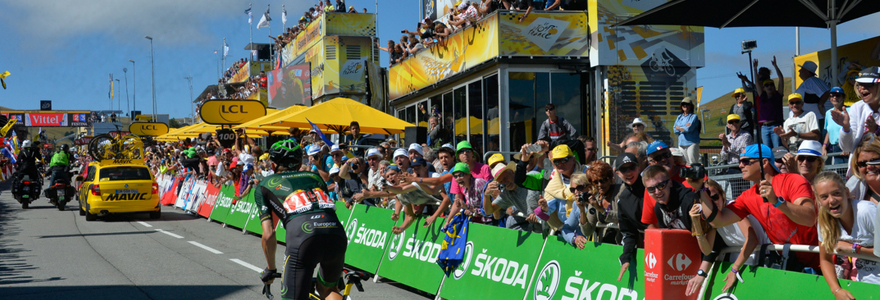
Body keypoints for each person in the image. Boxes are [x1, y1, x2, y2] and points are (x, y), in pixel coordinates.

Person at [697, 144, 820, 272]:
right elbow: (718, 221)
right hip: (792, 262)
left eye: (745, 161)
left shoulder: (793, 180)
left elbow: (809, 218)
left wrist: (777, 201)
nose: (740, 165)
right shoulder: (747, 196)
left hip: (821, 259)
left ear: (765, 162)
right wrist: (701, 190)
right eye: (740, 161)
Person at [255, 139, 346, 300]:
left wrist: (270, 269)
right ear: (298, 163)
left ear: (274, 165)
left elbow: (268, 234)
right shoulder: (314, 176)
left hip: (303, 236)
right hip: (335, 232)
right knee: (328, 289)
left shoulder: (265, 184)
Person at [687, 179, 765, 294]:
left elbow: (752, 240)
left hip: (759, 259)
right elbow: (707, 250)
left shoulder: (734, 207)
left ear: (722, 194)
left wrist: (734, 269)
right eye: (708, 201)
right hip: (738, 261)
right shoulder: (711, 217)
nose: (713, 203)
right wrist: (696, 223)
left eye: (715, 197)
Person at [814, 171, 878, 300]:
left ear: (847, 192)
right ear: (818, 200)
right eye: (824, 197)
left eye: (836, 193)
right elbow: (825, 259)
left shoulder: (867, 211)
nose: (832, 200)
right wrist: (836, 290)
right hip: (864, 285)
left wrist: (854, 249)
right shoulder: (824, 220)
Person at [835, 66, 880, 177]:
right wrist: (846, 128)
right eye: (859, 84)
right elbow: (847, 147)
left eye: (868, 84)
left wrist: (877, 130)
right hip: (860, 173)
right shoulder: (856, 108)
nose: (862, 88)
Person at [613, 153, 647, 281]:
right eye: (623, 169)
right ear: (617, 173)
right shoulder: (623, 199)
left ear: (638, 168)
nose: (628, 172)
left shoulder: (652, 187)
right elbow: (628, 233)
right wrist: (626, 256)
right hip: (648, 244)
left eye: (632, 167)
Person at [482, 161, 541, 232]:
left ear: (512, 172)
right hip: (540, 230)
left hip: (554, 224)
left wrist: (538, 212)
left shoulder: (533, 176)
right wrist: (486, 195)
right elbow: (488, 211)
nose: (504, 182)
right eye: (501, 182)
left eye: (505, 178)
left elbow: (552, 196)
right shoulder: (507, 194)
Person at [575, 161, 622, 244]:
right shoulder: (595, 198)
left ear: (610, 178)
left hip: (622, 242)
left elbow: (622, 217)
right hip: (606, 244)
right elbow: (588, 231)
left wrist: (600, 209)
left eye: (603, 180)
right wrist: (582, 210)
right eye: (595, 182)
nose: (599, 184)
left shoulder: (621, 191)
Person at [795, 61, 831, 137]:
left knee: (818, 141)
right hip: (809, 119)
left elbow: (827, 92)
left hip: (818, 118)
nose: (799, 71)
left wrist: (820, 105)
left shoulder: (813, 80)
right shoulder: (806, 82)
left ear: (807, 71)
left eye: (802, 69)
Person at [825, 86, 850, 164]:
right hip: (834, 148)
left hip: (847, 147)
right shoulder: (828, 113)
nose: (834, 97)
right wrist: (824, 146)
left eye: (838, 95)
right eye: (832, 95)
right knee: (839, 172)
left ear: (844, 97)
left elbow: (854, 130)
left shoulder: (850, 110)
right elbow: (829, 131)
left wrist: (848, 146)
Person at [674, 97, 701, 165]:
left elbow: (689, 129)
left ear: (691, 106)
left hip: (692, 143)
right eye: (683, 104)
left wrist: (679, 128)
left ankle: (694, 175)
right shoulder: (679, 117)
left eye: (687, 104)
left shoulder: (694, 116)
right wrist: (683, 128)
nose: (685, 106)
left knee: (693, 163)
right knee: (683, 164)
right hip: (681, 144)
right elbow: (675, 129)